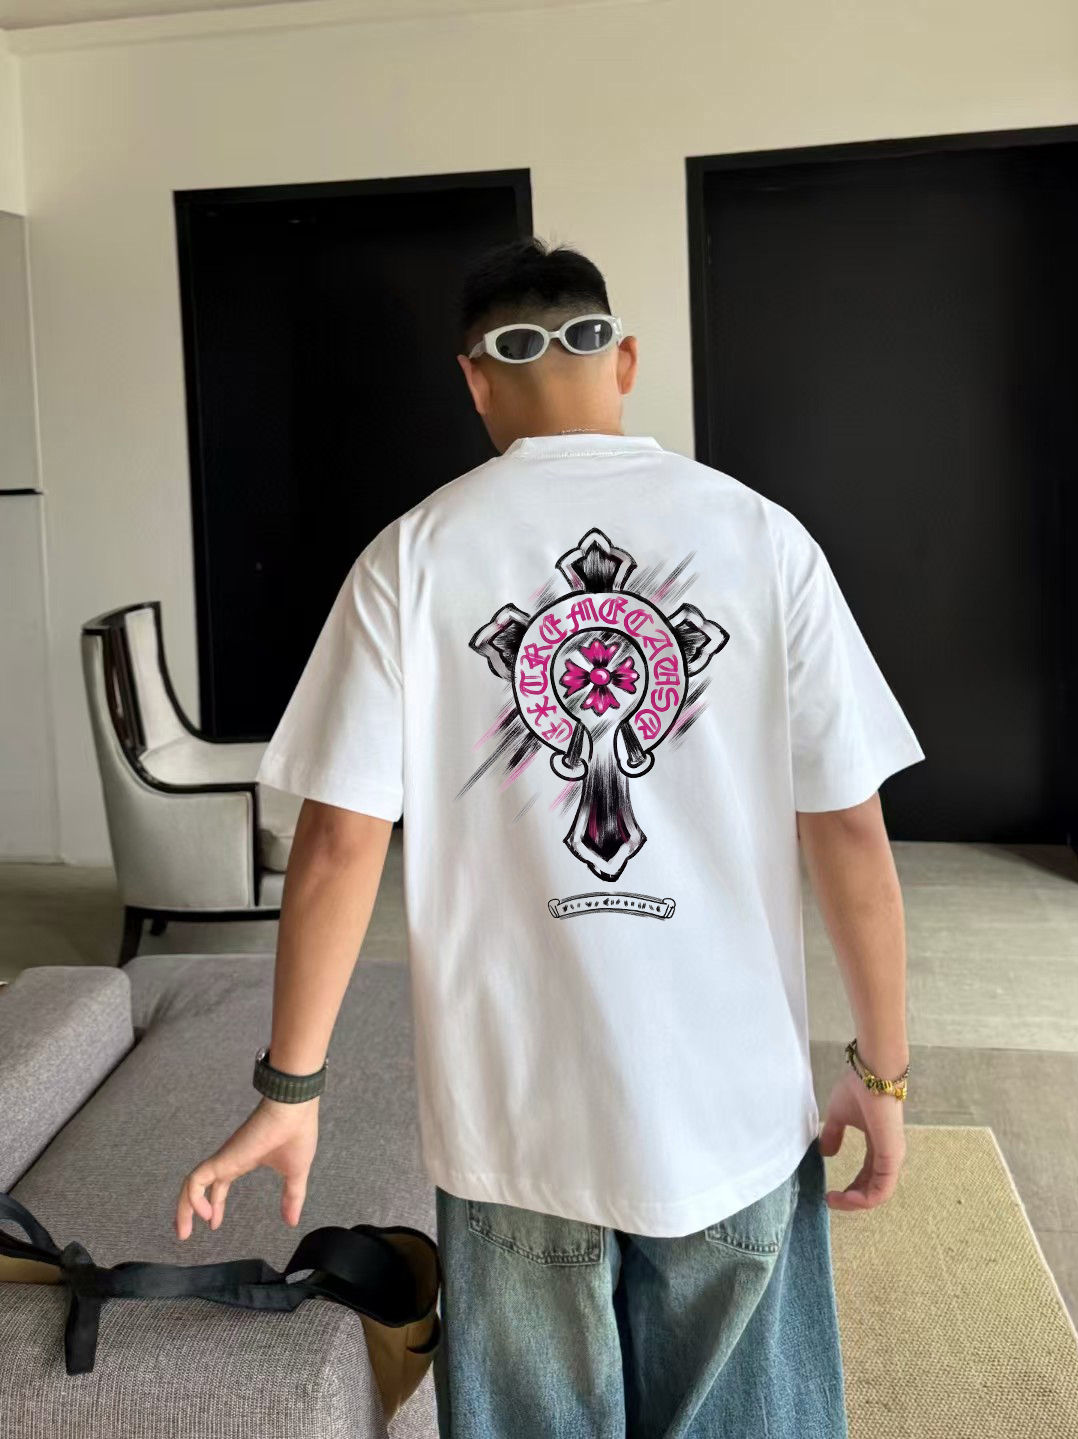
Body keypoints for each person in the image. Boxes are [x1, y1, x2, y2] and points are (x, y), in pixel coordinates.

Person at [175, 236, 924, 1438]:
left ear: (474, 381)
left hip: (513, 1124)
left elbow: (336, 846)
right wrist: (881, 1072)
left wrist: (291, 1089)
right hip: (729, 1109)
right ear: (625, 359)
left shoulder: (412, 556)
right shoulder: (765, 537)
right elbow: (849, 829)